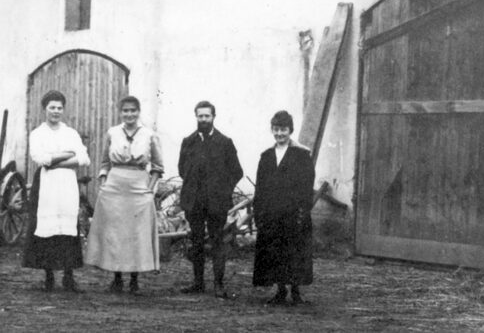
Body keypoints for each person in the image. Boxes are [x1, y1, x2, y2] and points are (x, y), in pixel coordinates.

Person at [84, 96, 164, 294]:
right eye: (126, 111)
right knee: (115, 232)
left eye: (133, 111)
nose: (129, 114)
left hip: (139, 187)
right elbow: (104, 163)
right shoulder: (112, 132)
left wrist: (149, 189)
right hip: (115, 187)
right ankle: (117, 277)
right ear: (121, 113)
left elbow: (158, 165)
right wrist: (103, 183)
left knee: (136, 233)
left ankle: (134, 279)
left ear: (138, 112)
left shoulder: (149, 134)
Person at [23, 90, 90, 292]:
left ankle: (69, 277)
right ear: (45, 109)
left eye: (59, 107)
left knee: (68, 226)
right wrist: (69, 155)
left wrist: (57, 159)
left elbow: (84, 159)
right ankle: (49, 276)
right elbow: (41, 159)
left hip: (67, 185)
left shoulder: (70, 133)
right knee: (47, 227)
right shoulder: (37, 134)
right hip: (46, 185)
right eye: (52, 107)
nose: (56, 111)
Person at [177, 100, 243, 298]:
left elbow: (236, 171)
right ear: (195, 117)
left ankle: (218, 284)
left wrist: (223, 190)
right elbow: (182, 170)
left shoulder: (225, 142)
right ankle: (198, 283)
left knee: (217, 242)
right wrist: (193, 188)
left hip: (217, 202)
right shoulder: (188, 142)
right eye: (200, 116)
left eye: (207, 116)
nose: (203, 119)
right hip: (194, 202)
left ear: (214, 117)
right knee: (196, 242)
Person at [252, 110, 315, 305]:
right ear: (272, 130)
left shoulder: (301, 155)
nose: (280, 134)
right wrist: (259, 213)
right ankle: (280, 290)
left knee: (295, 251)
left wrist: (302, 212)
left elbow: (306, 186)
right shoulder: (267, 156)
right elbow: (260, 187)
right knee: (275, 252)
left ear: (290, 130)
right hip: (271, 214)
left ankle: (295, 292)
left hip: (293, 213)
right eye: (276, 129)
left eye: (284, 130)